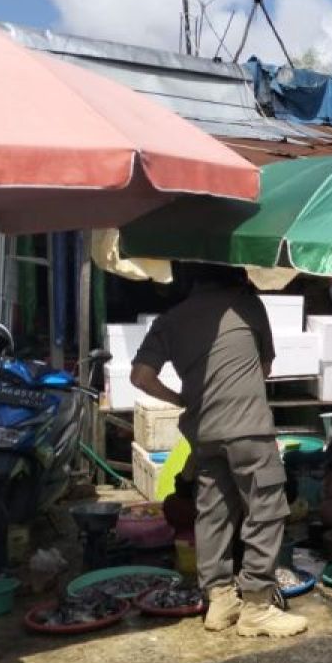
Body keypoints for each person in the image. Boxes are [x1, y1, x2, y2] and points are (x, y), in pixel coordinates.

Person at [130, 263, 305, 638]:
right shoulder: (246, 305)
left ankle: (220, 600)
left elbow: (140, 377)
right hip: (247, 427)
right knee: (265, 508)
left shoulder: (169, 320)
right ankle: (258, 606)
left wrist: (181, 398)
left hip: (203, 432)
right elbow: (265, 367)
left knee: (213, 512)